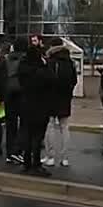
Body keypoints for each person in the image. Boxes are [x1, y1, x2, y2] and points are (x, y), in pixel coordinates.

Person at [16, 35, 54, 176]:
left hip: (26, 104)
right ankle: (36, 164)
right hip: (40, 106)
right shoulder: (42, 70)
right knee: (38, 137)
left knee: (27, 134)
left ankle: (26, 163)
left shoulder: (23, 66)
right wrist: (45, 64)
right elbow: (51, 80)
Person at [43, 37, 78, 167]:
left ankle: (50, 156)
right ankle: (65, 158)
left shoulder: (50, 61)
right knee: (64, 126)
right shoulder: (70, 62)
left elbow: (46, 79)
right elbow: (74, 80)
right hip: (65, 97)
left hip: (51, 97)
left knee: (50, 126)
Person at [0, 41, 25, 165]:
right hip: (22, 95)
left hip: (8, 95)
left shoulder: (4, 60)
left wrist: (0, 96)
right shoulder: (24, 61)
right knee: (23, 124)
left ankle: (9, 153)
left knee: (10, 124)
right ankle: (18, 152)